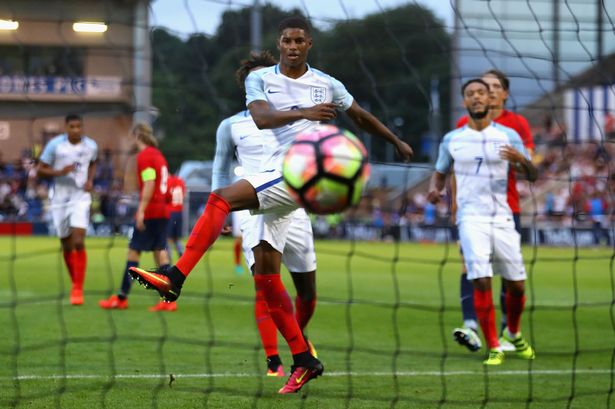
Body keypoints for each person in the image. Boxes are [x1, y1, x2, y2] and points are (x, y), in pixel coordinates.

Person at [130, 16, 413, 393]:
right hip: (273, 179)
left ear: (309, 44)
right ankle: (303, 359)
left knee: (222, 199)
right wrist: (305, 114)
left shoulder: (327, 84)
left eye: (299, 40)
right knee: (266, 278)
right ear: (279, 43)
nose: (292, 46)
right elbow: (262, 119)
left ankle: (175, 277)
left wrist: (396, 140)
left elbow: (359, 116)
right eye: (286, 40)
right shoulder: (259, 80)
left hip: (303, 173)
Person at [212, 50, 318, 377]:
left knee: (308, 291)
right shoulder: (230, 126)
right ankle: (274, 358)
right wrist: (221, 215)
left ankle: (297, 342)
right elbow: (220, 170)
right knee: (265, 283)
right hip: (251, 206)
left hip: (291, 203)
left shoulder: (296, 117)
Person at [428, 78, 537, 365]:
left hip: (502, 217)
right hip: (470, 218)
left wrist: (520, 160)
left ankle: (513, 333)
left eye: (481, 93)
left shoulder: (510, 135)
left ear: (491, 100)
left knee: (517, 285)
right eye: (470, 94)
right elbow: (440, 171)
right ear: (465, 102)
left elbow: (533, 174)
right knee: (481, 279)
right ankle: (493, 346)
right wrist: (434, 189)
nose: (476, 97)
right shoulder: (452, 139)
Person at [99, 123, 176, 312]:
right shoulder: (159, 155)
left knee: (133, 252)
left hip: (151, 211)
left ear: (136, 136)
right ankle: (170, 299)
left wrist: (141, 210)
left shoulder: (145, 156)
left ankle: (121, 298)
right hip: (162, 210)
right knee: (161, 252)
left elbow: (149, 183)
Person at [37, 114, 98, 306]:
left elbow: (93, 162)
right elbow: (40, 169)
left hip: (80, 197)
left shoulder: (91, 146)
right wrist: (60, 172)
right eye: (72, 127)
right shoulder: (55, 145)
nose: (76, 130)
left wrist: (90, 180)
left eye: (79, 126)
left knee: (79, 240)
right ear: (66, 127)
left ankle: (77, 289)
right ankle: (75, 282)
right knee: (66, 243)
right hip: (60, 197)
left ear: (82, 127)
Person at [166, 174, 186, 261]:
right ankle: (183, 256)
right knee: (177, 237)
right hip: (179, 212)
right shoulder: (180, 181)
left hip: (170, 212)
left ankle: (168, 260)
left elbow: (166, 195)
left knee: (168, 237)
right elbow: (184, 194)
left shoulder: (168, 181)